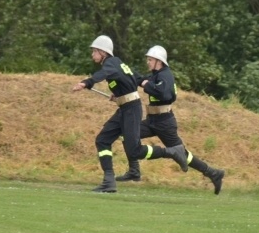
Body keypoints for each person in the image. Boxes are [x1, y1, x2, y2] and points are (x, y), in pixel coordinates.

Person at [71, 35, 189, 192]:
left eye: (94, 51)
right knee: (102, 140)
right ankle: (109, 182)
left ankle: (171, 152)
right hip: (125, 108)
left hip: (131, 110)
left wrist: (87, 82)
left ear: (102, 52)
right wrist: (120, 94)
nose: (92, 54)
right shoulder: (116, 63)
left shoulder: (110, 63)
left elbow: (102, 74)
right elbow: (131, 78)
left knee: (134, 150)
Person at [116, 45, 226, 194]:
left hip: (164, 123)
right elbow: (139, 79)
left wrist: (145, 84)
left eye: (150, 60)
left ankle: (213, 173)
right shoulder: (155, 75)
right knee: (126, 133)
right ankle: (134, 171)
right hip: (152, 120)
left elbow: (164, 94)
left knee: (183, 155)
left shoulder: (165, 76)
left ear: (158, 61)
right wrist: (121, 89)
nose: (147, 62)